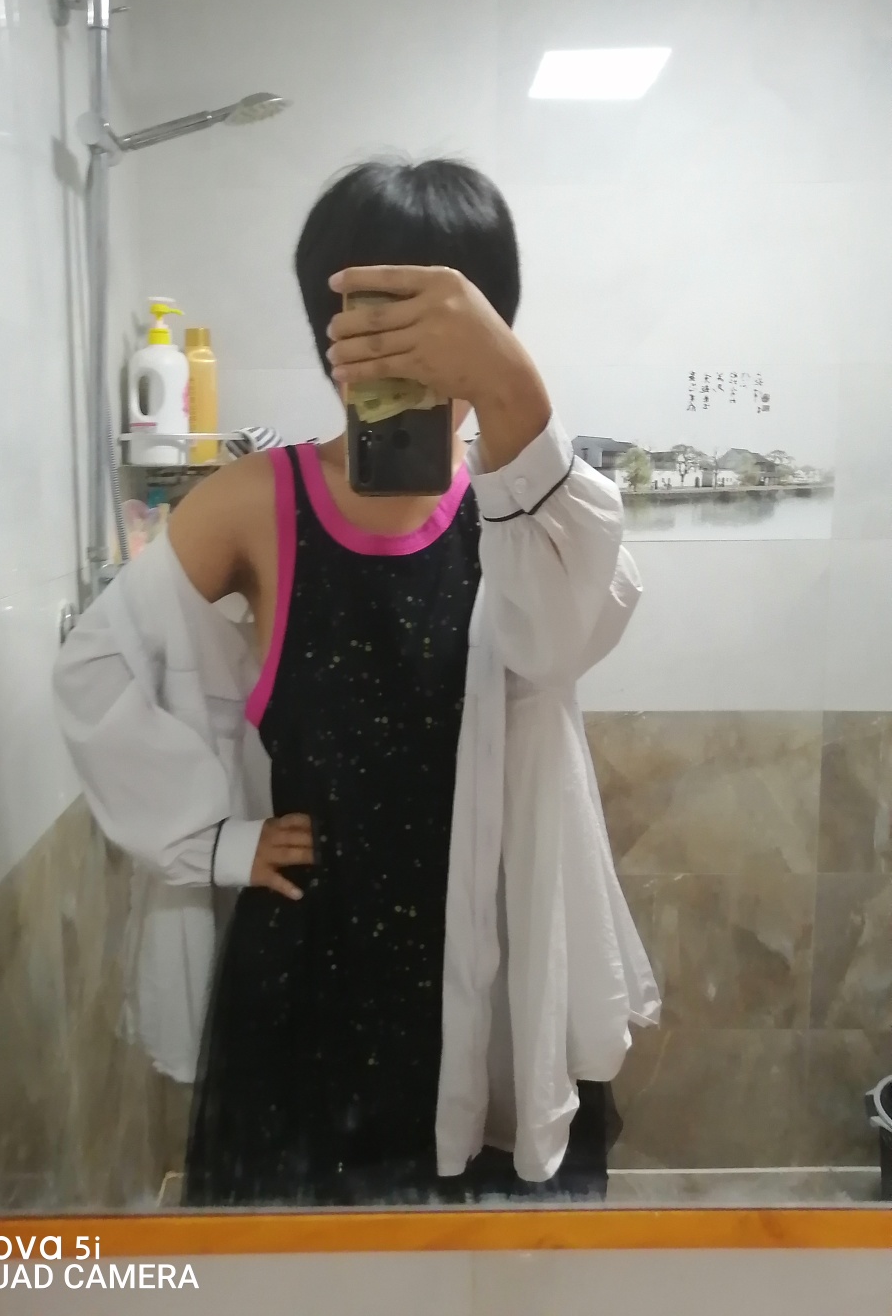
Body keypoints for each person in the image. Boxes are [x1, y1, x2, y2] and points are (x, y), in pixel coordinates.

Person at [54, 159, 659, 1208]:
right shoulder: (257, 501)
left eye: (439, 313)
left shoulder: (533, 512)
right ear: (328, 325)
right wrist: (217, 841)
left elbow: (565, 639)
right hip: (315, 973)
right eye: (373, 312)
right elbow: (99, 665)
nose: (402, 346)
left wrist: (513, 392)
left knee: (492, 1269)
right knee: (305, 1269)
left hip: (498, 948)